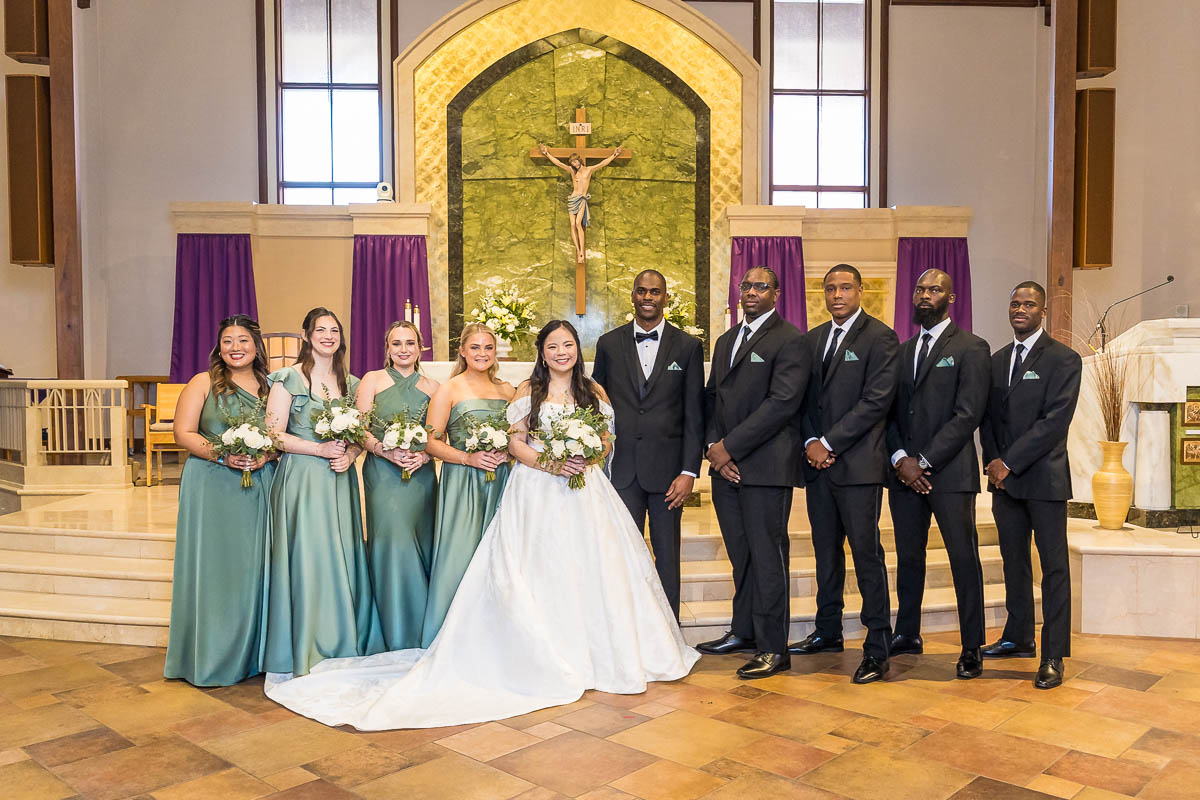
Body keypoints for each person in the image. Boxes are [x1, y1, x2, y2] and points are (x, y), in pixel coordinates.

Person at [262, 320, 698, 729]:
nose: (561, 352)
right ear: (541, 353)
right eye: (553, 346)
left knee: (593, 567)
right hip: (535, 485)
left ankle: (599, 650)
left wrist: (589, 455)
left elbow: (605, 438)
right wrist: (549, 462)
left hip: (585, 490)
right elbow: (514, 440)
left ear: (576, 350)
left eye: (568, 345)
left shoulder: (592, 390)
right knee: (536, 565)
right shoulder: (525, 389)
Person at [696, 267, 810, 679]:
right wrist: (713, 447)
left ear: (776, 293)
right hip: (725, 469)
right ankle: (743, 631)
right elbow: (712, 399)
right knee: (740, 556)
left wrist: (729, 447)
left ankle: (774, 647)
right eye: (746, 286)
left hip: (766, 467)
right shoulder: (727, 340)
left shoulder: (791, 339)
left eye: (761, 286)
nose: (750, 292)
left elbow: (782, 403)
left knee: (767, 558)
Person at [263, 307, 384, 677]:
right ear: (306, 335)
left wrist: (350, 454)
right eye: (320, 330)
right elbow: (273, 434)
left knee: (341, 552)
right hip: (303, 479)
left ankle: (343, 635)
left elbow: (361, 434)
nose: (328, 336)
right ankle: (308, 641)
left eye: (334, 330)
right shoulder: (288, 379)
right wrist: (318, 449)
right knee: (309, 556)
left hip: (339, 478)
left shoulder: (353, 383)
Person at [794, 264, 899, 685]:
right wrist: (809, 442)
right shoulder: (812, 339)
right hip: (818, 468)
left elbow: (876, 401)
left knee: (866, 554)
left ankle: (877, 648)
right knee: (825, 552)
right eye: (830, 288)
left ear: (860, 291)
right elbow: (801, 401)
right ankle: (828, 630)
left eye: (845, 288)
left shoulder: (881, 337)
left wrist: (829, 443)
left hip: (858, 467)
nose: (837, 295)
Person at [885, 269, 991, 679]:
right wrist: (901, 459)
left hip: (949, 474)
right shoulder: (903, 350)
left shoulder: (971, 347)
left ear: (951, 297)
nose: (925, 295)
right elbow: (889, 414)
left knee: (963, 558)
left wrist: (923, 461)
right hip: (904, 475)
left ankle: (971, 646)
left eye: (934, 289)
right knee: (909, 558)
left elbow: (968, 414)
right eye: (920, 289)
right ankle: (907, 632)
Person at [980, 281, 1081, 690]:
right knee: (1013, 561)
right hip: (1004, 484)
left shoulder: (1064, 359)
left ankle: (1052, 653)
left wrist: (1009, 462)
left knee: (1054, 568)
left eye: (1029, 304)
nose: (1020, 309)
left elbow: (1054, 422)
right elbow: (987, 419)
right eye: (1015, 304)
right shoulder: (996, 360)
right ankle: (1018, 636)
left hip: (1044, 479)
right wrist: (993, 462)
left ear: (1043, 311)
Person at [164, 315, 275, 686]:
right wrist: (222, 455)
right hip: (211, 485)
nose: (236, 347)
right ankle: (212, 654)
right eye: (228, 341)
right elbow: (183, 432)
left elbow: (282, 435)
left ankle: (253, 654)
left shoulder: (271, 386)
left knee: (254, 568)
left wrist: (267, 455)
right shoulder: (202, 383)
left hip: (258, 484)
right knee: (214, 568)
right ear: (219, 347)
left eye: (243, 340)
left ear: (256, 346)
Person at [592, 269, 705, 619]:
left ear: (665, 298)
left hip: (668, 473)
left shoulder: (687, 347)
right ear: (632, 296)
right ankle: (624, 626)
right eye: (641, 291)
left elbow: (695, 415)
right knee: (622, 554)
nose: (647, 297)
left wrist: (689, 471)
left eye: (655, 292)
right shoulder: (609, 344)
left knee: (667, 556)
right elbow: (596, 404)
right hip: (621, 470)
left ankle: (668, 631)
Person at [420, 323, 515, 645]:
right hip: (462, 482)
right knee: (460, 553)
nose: (482, 354)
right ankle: (452, 636)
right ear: (462, 351)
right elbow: (430, 442)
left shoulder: (507, 391)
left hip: (501, 481)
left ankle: (496, 635)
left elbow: (520, 438)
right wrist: (467, 458)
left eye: (488, 347)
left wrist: (507, 453)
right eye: (475, 347)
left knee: (499, 555)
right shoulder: (449, 389)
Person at [356, 321, 440, 651]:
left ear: (420, 348)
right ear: (387, 348)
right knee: (390, 540)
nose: (403, 349)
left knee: (420, 540)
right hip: (382, 473)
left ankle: (423, 629)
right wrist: (384, 450)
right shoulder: (372, 380)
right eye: (396, 343)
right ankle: (391, 629)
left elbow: (441, 435)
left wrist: (424, 455)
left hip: (420, 475)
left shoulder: (434, 386)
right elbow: (360, 430)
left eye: (410, 343)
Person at [538, 143, 623, 262]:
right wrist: (546, 153)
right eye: (572, 163)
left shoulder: (589, 170)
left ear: (579, 160)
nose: (574, 164)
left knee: (578, 223)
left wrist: (615, 155)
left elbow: (602, 163)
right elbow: (559, 163)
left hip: (582, 199)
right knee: (572, 225)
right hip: (572, 199)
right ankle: (578, 251)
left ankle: (582, 252)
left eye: (575, 161)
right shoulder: (573, 172)